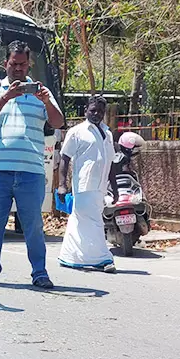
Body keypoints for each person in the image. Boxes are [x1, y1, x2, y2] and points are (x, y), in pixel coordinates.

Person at [0, 41, 64, 288]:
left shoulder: (40, 91)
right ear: (6, 63)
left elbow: (58, 123)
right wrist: (6, 96)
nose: (17, 68)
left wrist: (46, 101)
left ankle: (40, 273)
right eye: (13, 63)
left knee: (34, 226)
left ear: (29, 65)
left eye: (22, 64)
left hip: (32, 172)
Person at [56, 96, 116, 273]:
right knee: (94, 221)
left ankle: (70, 257)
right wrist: (62, 184)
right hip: (84, 185)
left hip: (100, 187)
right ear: (85, 111)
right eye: (93, 110)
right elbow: (64, 158)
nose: (96, 114)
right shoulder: (77, 132)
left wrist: (115, 188)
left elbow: (110, 162)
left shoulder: (108, 132)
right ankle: (103, 258)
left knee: (80, 221)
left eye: (100, 111)